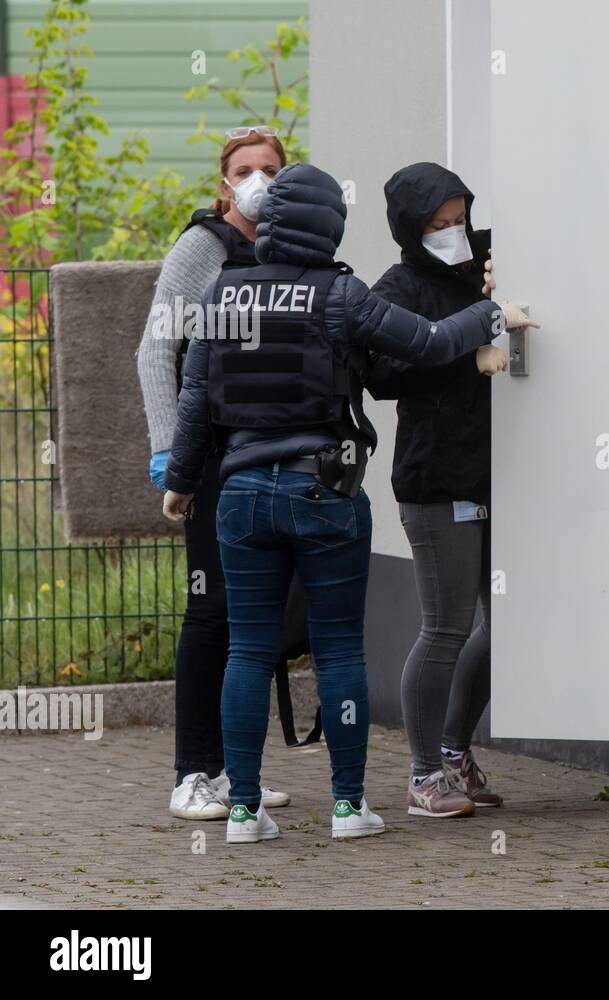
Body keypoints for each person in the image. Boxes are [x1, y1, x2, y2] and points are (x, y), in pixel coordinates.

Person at [160, 162, 535, 844]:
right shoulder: (340, 294)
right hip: (322, 489)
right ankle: (348, 808)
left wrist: (181, 482)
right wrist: (488, 315)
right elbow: (423, 343)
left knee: (247, 650)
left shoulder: (220, 293)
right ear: (329, 226)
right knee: (337, 652)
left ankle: (243, 813)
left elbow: (194, 399)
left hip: (239, 493)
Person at [136, 125, 295, 821]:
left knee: (253, 619)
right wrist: (172, 451)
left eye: (269, 168)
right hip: (212, 461)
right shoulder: (203, 247)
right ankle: (190, 773)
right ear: (223, 182)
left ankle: (234, 773)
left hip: (271, 458)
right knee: (211, 612)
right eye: (244, 169)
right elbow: (154, 349)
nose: (257, 179)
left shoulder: (293, 250)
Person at [367, 163, 506, 819]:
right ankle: (425, 775)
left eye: (460, 219)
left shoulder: (488, 266)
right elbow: (381, 371)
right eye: (438, 225)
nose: (454, 233)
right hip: (436, 478)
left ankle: (454, 751)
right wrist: (465, 338)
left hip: (501, 473)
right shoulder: (397, 288)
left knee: (511, 623)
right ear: (410, 228)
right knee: (446, 627)